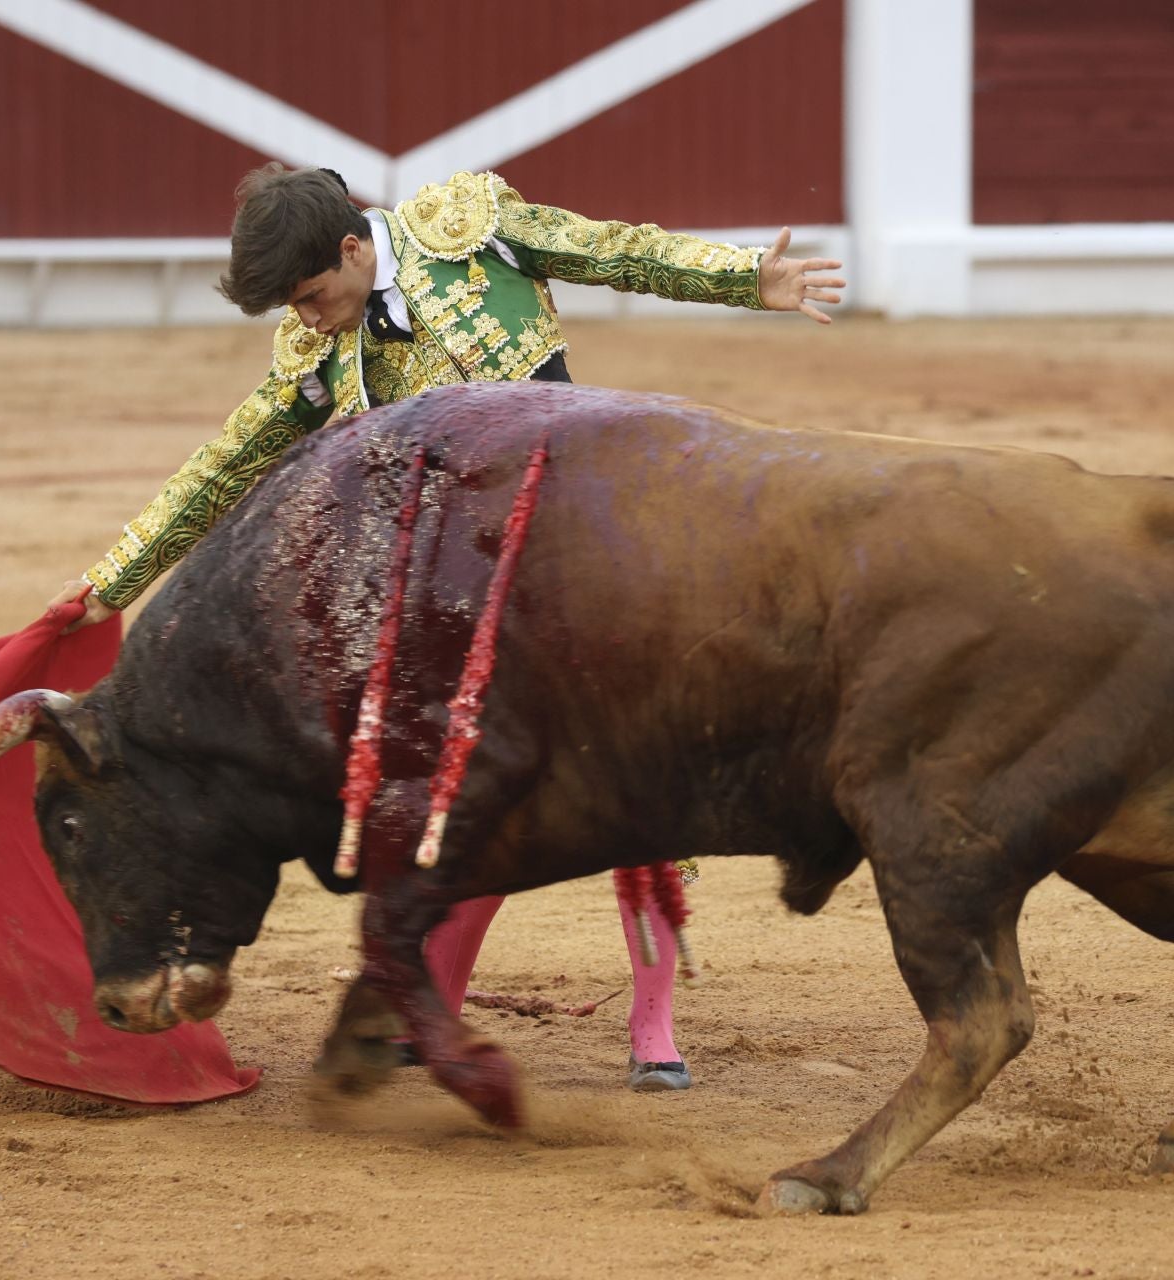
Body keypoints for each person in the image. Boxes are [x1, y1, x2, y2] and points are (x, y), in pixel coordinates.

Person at [51, 165, 845, 1091]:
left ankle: (655, 1026)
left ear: (353, 248)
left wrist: (745, 277)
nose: (307, 320)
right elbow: (226, 464)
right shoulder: (310, 352)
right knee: (458, 802)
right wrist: (113, 579)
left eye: (313, 297)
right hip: (451, 599)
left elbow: (614, 250)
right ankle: (420, 1009)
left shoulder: (466, 227)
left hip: (582, 551)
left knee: (648, 783)